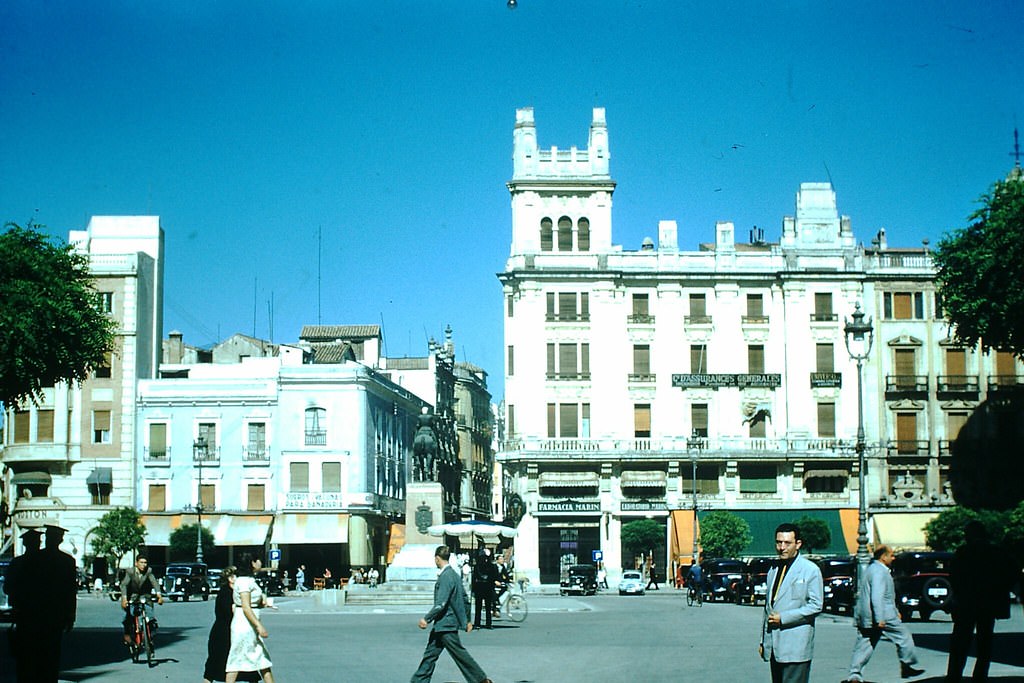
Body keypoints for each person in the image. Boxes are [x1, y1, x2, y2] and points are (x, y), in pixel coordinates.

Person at [946, 520, 1017, 682]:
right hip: (988, 603)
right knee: (984, 642)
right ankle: (979, 676)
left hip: (967, 603)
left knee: (961, 641)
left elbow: (954, 576)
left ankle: (954, 676)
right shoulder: (997, 552)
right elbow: (1011, 573)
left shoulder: (963, 552)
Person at [842, 545, 924, 682]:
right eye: (891, 555)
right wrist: (880, 618)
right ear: (883, 556)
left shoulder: (873, 569)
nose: (893, 558)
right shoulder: (879, 572)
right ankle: (907, 664)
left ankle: (854, 675)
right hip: (883, 614)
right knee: (904, 637)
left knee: (865, 644)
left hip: (870, 614)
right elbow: (877, 596)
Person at [411, 545, 493, 683]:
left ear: (437, 559)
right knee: (430, 655)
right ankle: (419, 680)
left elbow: (441, 603)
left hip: (446, 624)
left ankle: (481, 680)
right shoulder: (454, 574)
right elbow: (465, 598)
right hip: (443, 625)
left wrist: (427, 619)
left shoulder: (446, 576)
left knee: (459, 654)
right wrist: (466, 620)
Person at [759, 523, 823, 683]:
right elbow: (768, 608)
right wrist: (764, 641)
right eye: (779, 542)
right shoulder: (773, 570)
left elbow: (816, 605)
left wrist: (785, 617)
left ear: (798, 544)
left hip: (796, 646)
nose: (782, 547)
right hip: (775, 646)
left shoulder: (810, 570)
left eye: (787, 543)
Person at [225, 553, 275, 683]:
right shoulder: (244, 582)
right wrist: (259, 626)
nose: (260, 563)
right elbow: (246, 606)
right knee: (236, 659)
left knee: (262, 659)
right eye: (258, 560)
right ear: (252, 563)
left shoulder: (247, 580)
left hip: (248, 623)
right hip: (245, 625)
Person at [6, 529, 46, 682]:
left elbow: (7, 588)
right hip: (44, 616)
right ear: (38, 543)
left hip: (23, 614)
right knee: (43, 655)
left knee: (24, 657)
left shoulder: (17, 563)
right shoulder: (47, 563)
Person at [120, 554, 164, 644]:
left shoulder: (149, 571)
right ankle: (127, 635)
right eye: (141, 562)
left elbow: (154, 583)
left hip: (145, 596)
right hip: (132, 596)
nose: (144, 565)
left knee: (150, 615)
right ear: (136, 563)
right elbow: (124, 585)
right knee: (130, 615)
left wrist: (159, 595)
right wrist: (124, 598)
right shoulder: (130, 572)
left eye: (145, 563)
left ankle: (149, 635)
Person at [472, 550, 497, 629]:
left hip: (481, 587)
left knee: (481, 607)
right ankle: (486, 623)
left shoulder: (477, 566)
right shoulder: (490, 566)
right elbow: (493, 577)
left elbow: (474, 578)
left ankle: (478, 623)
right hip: (485, 587)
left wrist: (473, 588)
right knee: (486, 606)